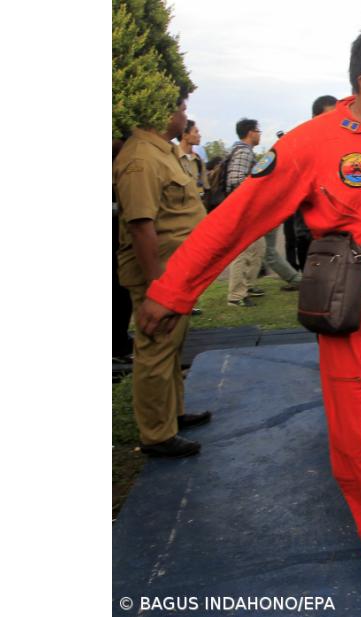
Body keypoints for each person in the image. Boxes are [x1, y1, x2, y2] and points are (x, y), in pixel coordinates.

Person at [136, 25, 361, 586]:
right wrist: (172, 291)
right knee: (359, 437)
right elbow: (235, 220)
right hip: (352, 315)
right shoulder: (309, 144)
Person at [114, 97, 213, 458]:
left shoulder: (164, 152)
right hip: (159, 278)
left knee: (170, 348)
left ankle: (173, 414)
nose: (185, 116)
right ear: (162, 112)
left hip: (178, 273)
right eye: (181, 109)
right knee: (155, 350)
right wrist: (159, 288)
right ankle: (157, 434)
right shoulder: (141, 158)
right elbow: (141, 226)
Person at [285, 95, 339, 270]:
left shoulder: (342, 147)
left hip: (337, 233)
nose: (334, 123)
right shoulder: (301, 146)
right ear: (315, 118)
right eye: (328, 117)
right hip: (309, 233)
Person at [224, 118, 266, 306]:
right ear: (250, 132)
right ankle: (236, 296)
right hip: (242, 209)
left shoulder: (242, 151)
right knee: (243, 252)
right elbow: (235, 181)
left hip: (248, 210)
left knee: (258, 248)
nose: (259, 134)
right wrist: (252, 195)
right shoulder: (243, 152)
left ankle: (247, 286)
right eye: (258, 131)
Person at [178, 120, 207, 198]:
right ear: (185, 135)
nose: (199, 135)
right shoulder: (172, 157)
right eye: (196, 132)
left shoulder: (198, 161)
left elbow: (202, 186)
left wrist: (201, 196)